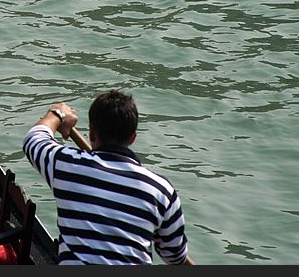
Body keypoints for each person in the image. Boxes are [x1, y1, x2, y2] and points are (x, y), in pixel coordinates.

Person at [22, 89, 193, 265]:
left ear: (92, 133)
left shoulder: (67, 165)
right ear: (133, 137)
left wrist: (57, 113)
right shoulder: (161, 190)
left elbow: (33, 139)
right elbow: (175, 257)